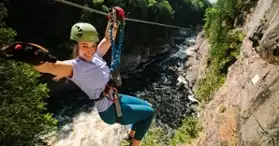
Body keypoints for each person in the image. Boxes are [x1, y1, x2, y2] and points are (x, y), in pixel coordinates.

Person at [0, 7, 155, 146]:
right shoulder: (75, 67)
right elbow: (50, 67)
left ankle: (132, 135)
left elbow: (108, 39)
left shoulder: (96, 56)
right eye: (84, 46)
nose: (90, 50)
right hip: (109, 110)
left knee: (148, 107)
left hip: (115, 98)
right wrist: (32, 57)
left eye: (92, 45)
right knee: (149, 115)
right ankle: (134, 144)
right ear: (77, 46)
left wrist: (114, 22)